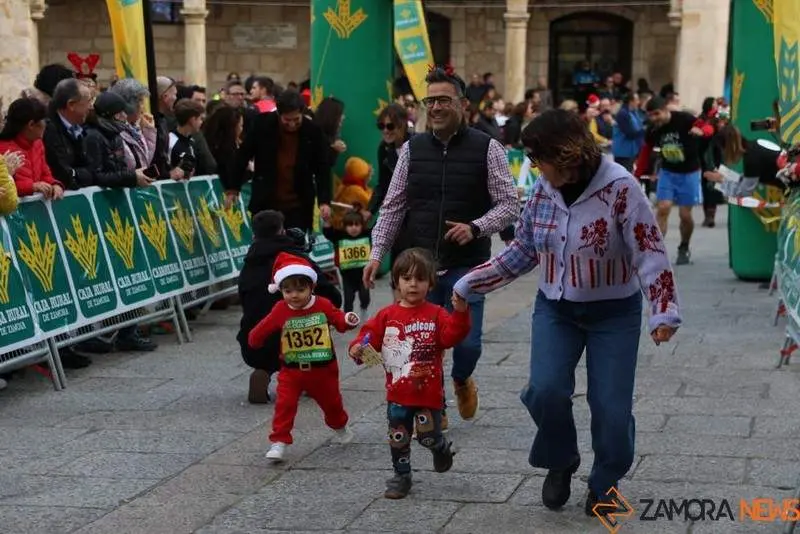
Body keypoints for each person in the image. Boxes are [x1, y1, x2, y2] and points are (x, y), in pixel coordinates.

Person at [453, 108, 681, 517]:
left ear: (565, 156)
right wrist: (470, 284)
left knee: (610, 407)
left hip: (614, 312)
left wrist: (662, 312)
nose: (534, 167)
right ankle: (560, 459)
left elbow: (649, 251)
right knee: (545, 390)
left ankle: (604, 481)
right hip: (556, 309)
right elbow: (522, 251)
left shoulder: (622, 189)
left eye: (537, 158)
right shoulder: (543, 191)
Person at [362, 65, 518, 422]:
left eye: (443, 100)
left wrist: (476, 227)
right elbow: (393, 206)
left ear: (462, 105)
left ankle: (462, 379)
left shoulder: (488, 148)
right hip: (420, 265)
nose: (435, 108)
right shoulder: (411, 150)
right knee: (422, 346)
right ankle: (434, 408)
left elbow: (509, 204)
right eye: (429, 101)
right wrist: (377, 253)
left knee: (466, 344)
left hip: (467, 266)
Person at [349, 248, 471, 499]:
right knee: (399, 437)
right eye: (406, 278)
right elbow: (368, 336)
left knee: (426, 436)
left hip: (428, 392)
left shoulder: (436, 314)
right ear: (396, 281)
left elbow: (451, 337)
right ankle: (401, 475)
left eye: (420, 279)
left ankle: (440, 447)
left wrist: (460, 314)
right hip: (398, 392)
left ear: (430, 283)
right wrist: (358, 347)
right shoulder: (387, 315)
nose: (413, 284)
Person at [248, 252, 360, 462]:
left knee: (332, 404)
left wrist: (348, 320)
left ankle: (340, 425)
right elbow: (264, 327)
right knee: (285, 404)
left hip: (323, 369)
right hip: (291, 369)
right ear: (280, 290)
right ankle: (279, 442)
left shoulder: (323, 305)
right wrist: (254, 339)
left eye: (300, 289)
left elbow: (338, 319)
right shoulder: (280, 309)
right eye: (288, 290)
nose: (294, 295)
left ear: (311, 288)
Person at [237, 210, 342, 404]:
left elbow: (244, 301)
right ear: (282, 231)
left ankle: (263, 370)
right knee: (315, 312)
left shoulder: (248, 265)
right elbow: (332, 296)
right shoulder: (297, 260)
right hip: (298, 341)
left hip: (255, 345)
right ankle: (312, 376)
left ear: (254, 236)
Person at [224, 90, 332, 232]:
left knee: (293, 249)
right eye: (287, 120)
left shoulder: (313, 131)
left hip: (298, 204)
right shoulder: (262, 124)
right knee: (266, 246)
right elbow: (242, 155)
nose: (292, 124)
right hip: (266, 201)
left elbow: (322, 168)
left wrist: (324, 201)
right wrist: (233, 188)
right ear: (278, 114)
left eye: (296, 119)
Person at [634, 96, 714, 264]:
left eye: (657, 114)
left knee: (685, 215)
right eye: (650, 115)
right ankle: (655, 252)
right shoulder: (653, 129)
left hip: (690, 173)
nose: (654, 118)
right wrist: (637, 175)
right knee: (663, 208)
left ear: (666, 110)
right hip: (668, 172)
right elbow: (646, 151)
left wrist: (702, 132)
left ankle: (684, 247)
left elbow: (708, 127)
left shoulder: (684, 119)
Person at [84, 92, 154, 189]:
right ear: (113, 115)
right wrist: (132, 177)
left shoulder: (116, 134)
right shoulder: (93, 137)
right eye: (121, 113)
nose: (125, 116)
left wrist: (135, 175)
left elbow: (121, 167)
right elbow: (96, 176)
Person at [0, 97, 65, 199]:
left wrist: (54, 184)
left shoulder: (38, 144)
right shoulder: (4, 149)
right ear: (31, 124)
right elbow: (5, 185)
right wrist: (31, 186)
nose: (46, 124)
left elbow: (45, 173)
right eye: (44, 120)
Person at [323, 210, 371, 314]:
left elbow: (377, 229)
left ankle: (364, 310)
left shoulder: (366, 234)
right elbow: (328, 233)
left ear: (362, 226)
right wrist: (326, 221)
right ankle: (347, 318)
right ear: (344, 227)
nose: (354, 228)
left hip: (364, 275)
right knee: (348, 300)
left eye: (357, 225)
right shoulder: (340, 236)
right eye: (350, 225)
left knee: (365, 297)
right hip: (347, 277)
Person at [168, 98, 205, 179]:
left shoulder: (191, 141)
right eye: (200, 119)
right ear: (192, 120)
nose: (202, 122)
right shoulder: (170, 141)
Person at [612, 92, 645, 171]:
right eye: (636, 100)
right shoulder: (623, 114)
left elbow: (639, 126)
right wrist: (645, 130)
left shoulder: (634, 113)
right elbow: (630, 134)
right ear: (631, 101)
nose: (638, 102)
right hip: (623, 153)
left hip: (632, 151)